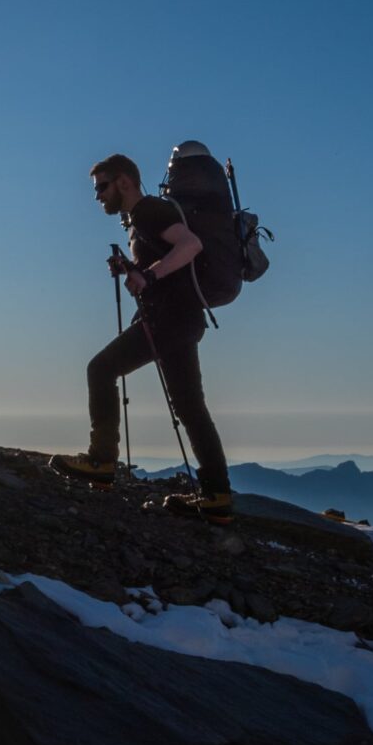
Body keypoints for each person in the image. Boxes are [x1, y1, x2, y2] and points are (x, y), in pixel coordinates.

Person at [55, 153, 233, 522]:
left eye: (102, 187)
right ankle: (217, 496)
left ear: (124, 182)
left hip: (167, 319)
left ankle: (101, 461)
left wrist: (148, 276)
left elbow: (191, 246)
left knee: (101, 369)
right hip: (183, 319)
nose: (98, 196)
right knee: (190, 407)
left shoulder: (148, 211)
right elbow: (171, 259)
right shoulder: (141, 218)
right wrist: (132, 268)